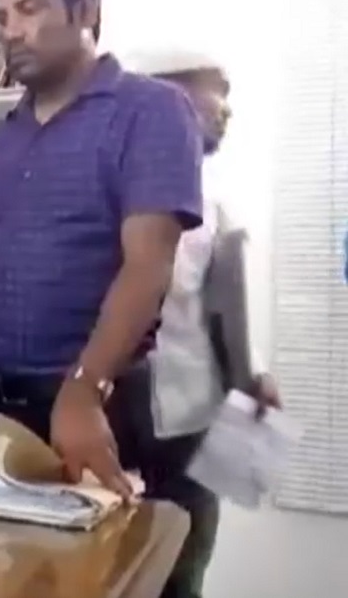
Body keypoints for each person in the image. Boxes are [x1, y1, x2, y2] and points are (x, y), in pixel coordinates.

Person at [0, 0, 204, 503]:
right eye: (2, 17)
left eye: (29, 8)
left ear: (86, 9)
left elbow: (148, 265)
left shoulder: (151, 111)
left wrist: (85, 386)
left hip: (89, 407)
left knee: (98, 561)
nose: (11, 31)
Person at [131, 48, 282, 598]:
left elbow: (223, 305)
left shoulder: (215, 201)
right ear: (172, 96)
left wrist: (253, 374)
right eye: (219, 91)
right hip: (112, 419)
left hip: (190, 425)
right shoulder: (110, 187)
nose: (227, 110)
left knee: (183, 574)